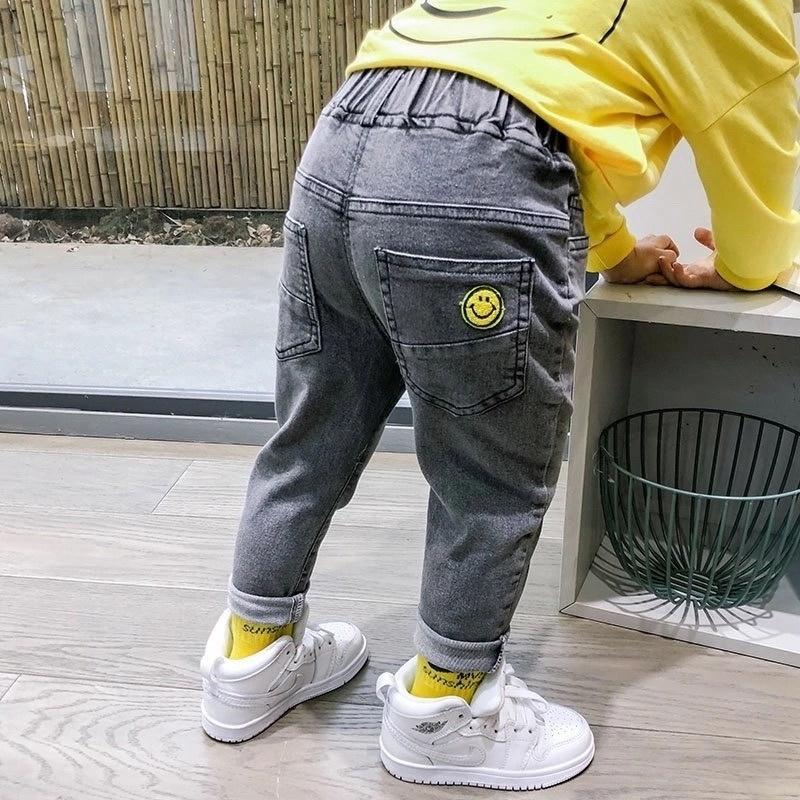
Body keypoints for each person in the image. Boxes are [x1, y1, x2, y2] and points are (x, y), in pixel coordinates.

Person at [200, 0, 800, 790]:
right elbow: (758, 143)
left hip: (346, 126)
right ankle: (447, 709)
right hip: (478, 169)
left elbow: (547, 106)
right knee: (488, 468)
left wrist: (616, 251)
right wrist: (751, 264)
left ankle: (252, 655)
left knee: (312, 427)